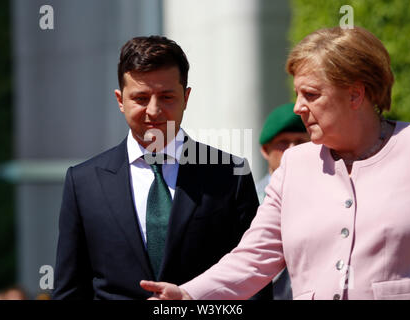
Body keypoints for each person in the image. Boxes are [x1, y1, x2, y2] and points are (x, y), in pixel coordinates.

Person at [140, 26, 410, 300]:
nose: (298, 106)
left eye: (311, 94)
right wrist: (190, 294)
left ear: (355, 94)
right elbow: (254, 257)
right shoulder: (294, 165)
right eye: (298, 94)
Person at [52, 36, 271, 299]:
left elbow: (253, 281)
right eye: (141, 98)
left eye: (167, 97)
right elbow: (70, 291)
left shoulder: (230, 174)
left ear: (186, 97)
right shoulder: (84, 183)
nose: (154, 111)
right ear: (120, 100)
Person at [256, 103, 309, 300]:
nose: (292, 150)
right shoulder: (248, 198)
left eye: (299, 141)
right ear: (265, 149)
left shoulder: (328, 194)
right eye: (283, 142)